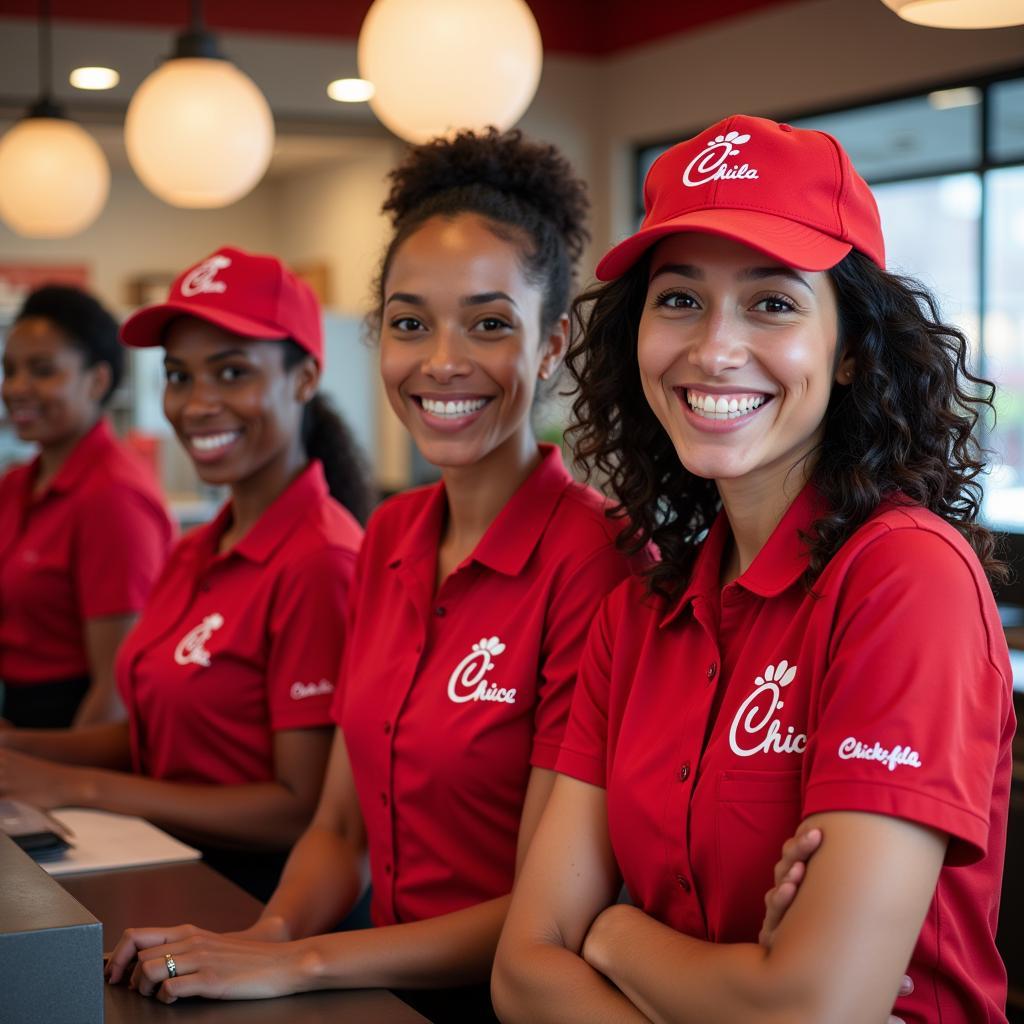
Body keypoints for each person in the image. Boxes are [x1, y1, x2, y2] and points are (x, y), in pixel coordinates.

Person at [492, 114, 1013, 1024]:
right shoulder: (637, 614)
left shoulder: (905, 580)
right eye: (679, 298)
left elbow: (810, 1008)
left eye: (772, 302)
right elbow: (524, 970)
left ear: (852, 347)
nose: (713, 348)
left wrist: (613, 936)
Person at [105, 130, 636, 1020]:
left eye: (490, 322)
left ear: (552, 345)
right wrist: (260, 940)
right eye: (409, 321)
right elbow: (341, 828)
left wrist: (299, 961)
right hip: (374, 987)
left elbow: (552, 916)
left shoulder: (598, 560)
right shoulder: (390, 533)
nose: (441, 360)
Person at [0, 248, 371, 899]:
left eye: (231, 373)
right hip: (167, 865)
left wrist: (76, 784)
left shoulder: (321, 561)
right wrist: (26, 753)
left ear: (305, 377)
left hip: (258, 901)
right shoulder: (198, 547)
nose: (197, 404)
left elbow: (302, 809)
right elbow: (156, 739)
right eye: (179, 376)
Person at [0, 285, 174, 728]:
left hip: (72, 731)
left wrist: (59, 778)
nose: (17, 388)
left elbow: (116, 688)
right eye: (9, 370)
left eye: (42, 371)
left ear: (97, 380)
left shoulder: (113, 497)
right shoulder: (18, 484)